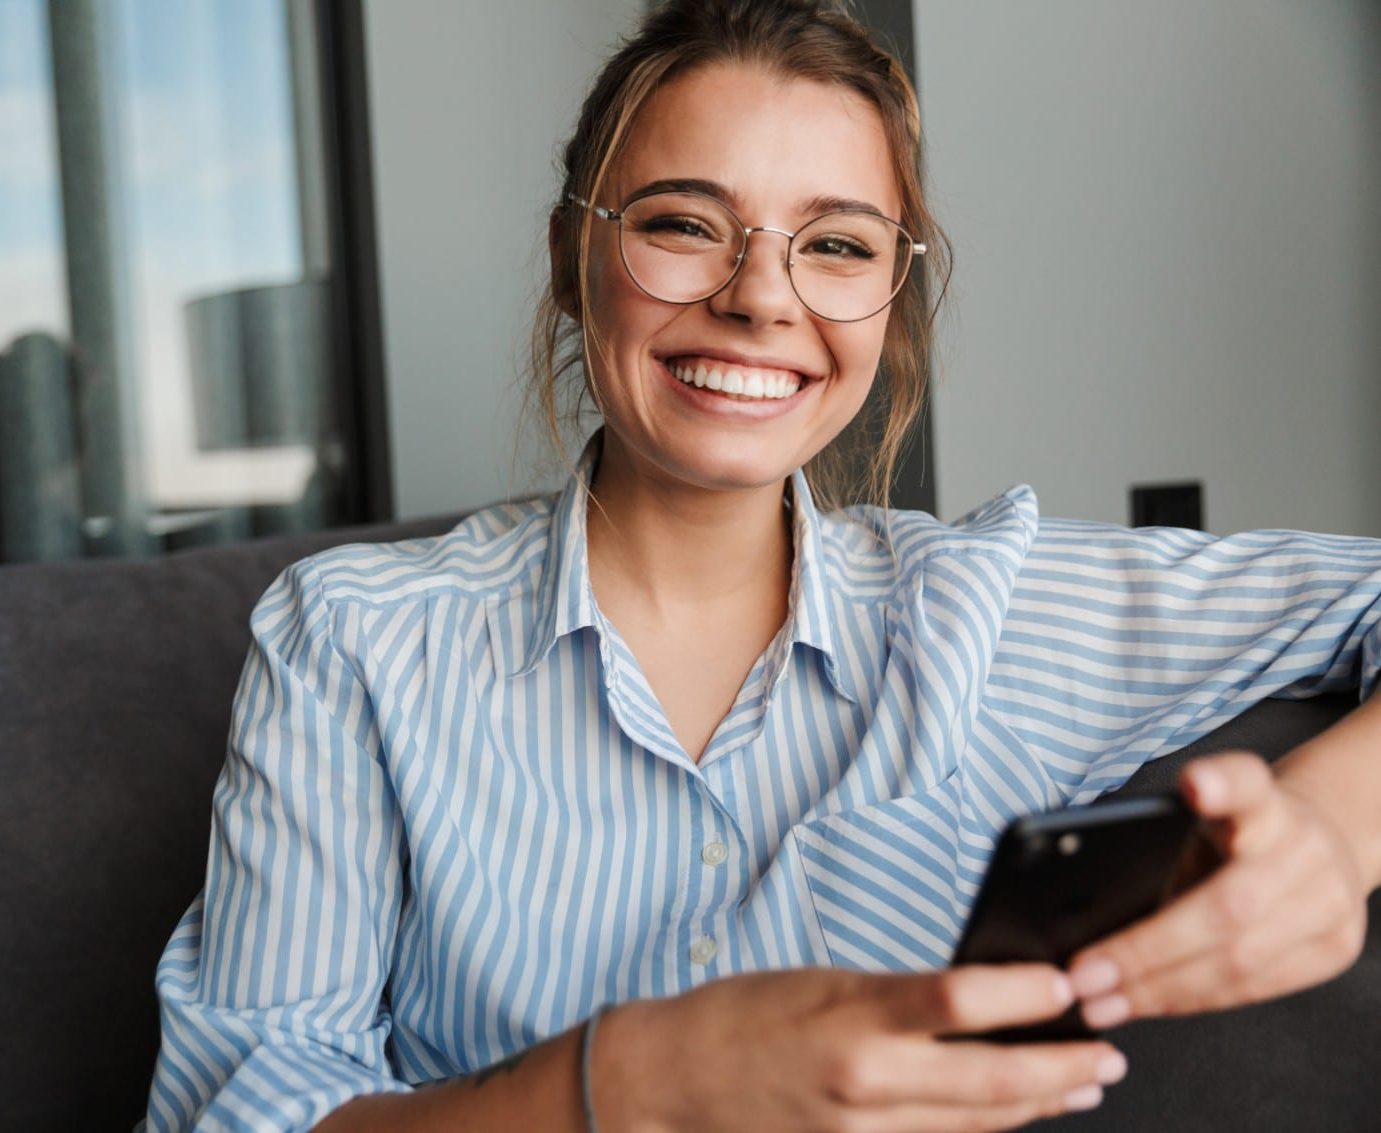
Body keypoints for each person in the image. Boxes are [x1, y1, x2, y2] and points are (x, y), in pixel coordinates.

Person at [142, 2, 1381, 1130]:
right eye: (685, 224)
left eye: (836, 245)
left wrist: (1326, 830)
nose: (758, 297)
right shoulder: (352, 637)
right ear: (577, 264)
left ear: (891, 302)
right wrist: (625, 1082)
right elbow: (233, 1115)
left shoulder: (982, 609)